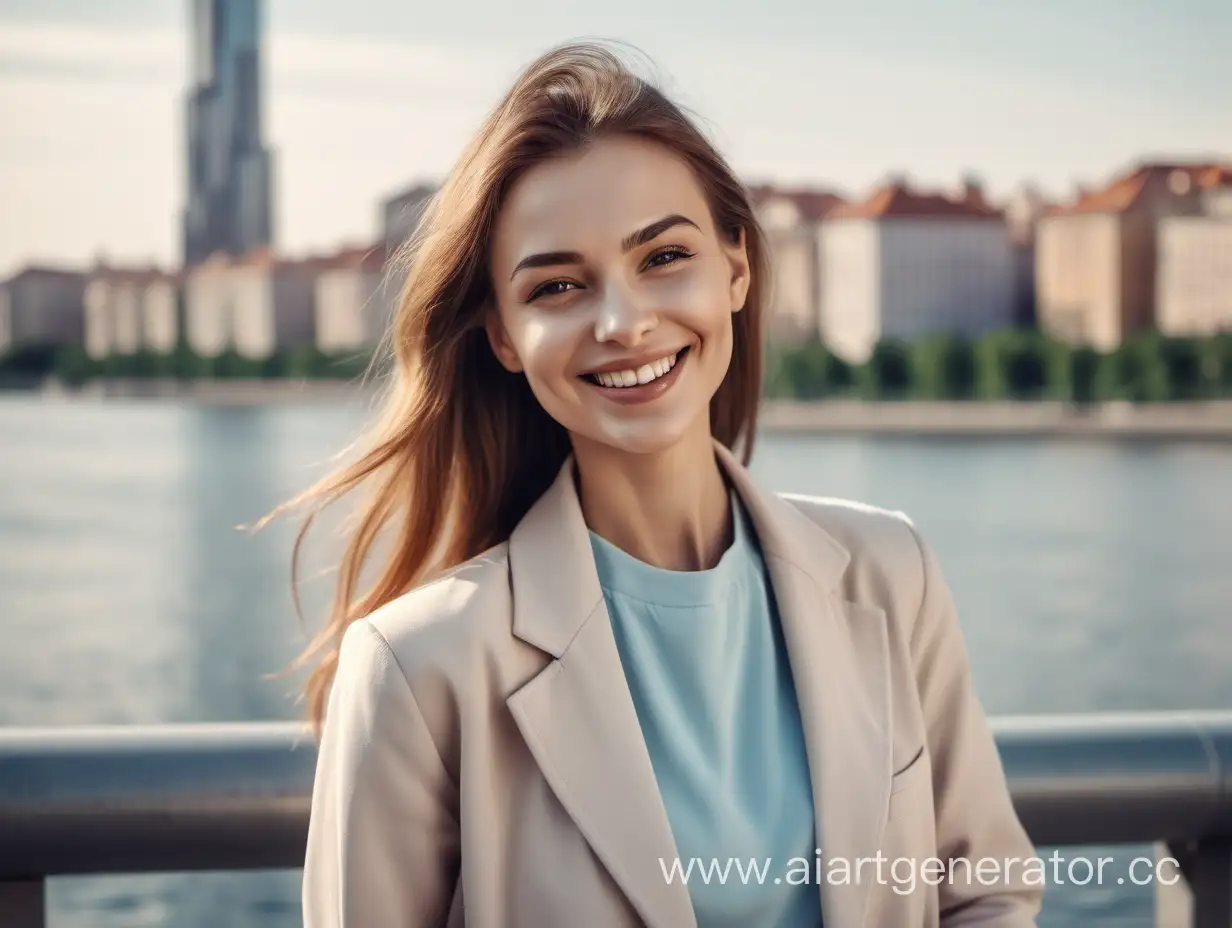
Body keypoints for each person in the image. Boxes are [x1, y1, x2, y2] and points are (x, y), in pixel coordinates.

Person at [291, 41, 1041, 928]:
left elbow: (985, 890)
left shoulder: (891, 573)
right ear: (502, 336)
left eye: (662, 257)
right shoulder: (418, 668)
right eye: (559, 286)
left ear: (736, 269)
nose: (624, 322)